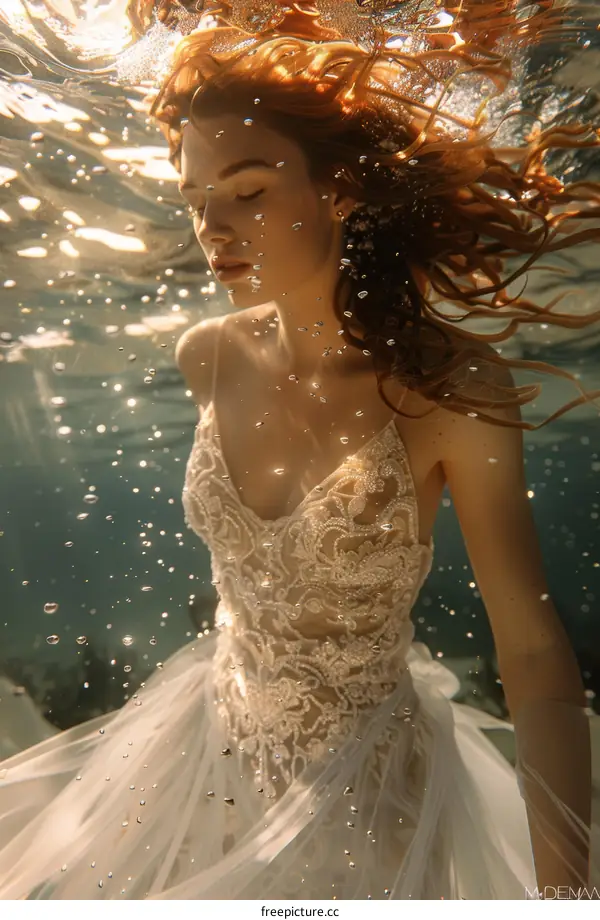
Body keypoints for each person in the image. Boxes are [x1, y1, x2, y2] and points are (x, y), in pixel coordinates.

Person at [1, 0, 600, 899]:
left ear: (340, 188)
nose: (215, 228)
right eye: (197, 201)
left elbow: (535, 657)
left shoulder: (450, 391)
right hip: (203, 755)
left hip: (371, 802)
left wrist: (567, 900)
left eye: (247, 191)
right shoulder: (207, 355)